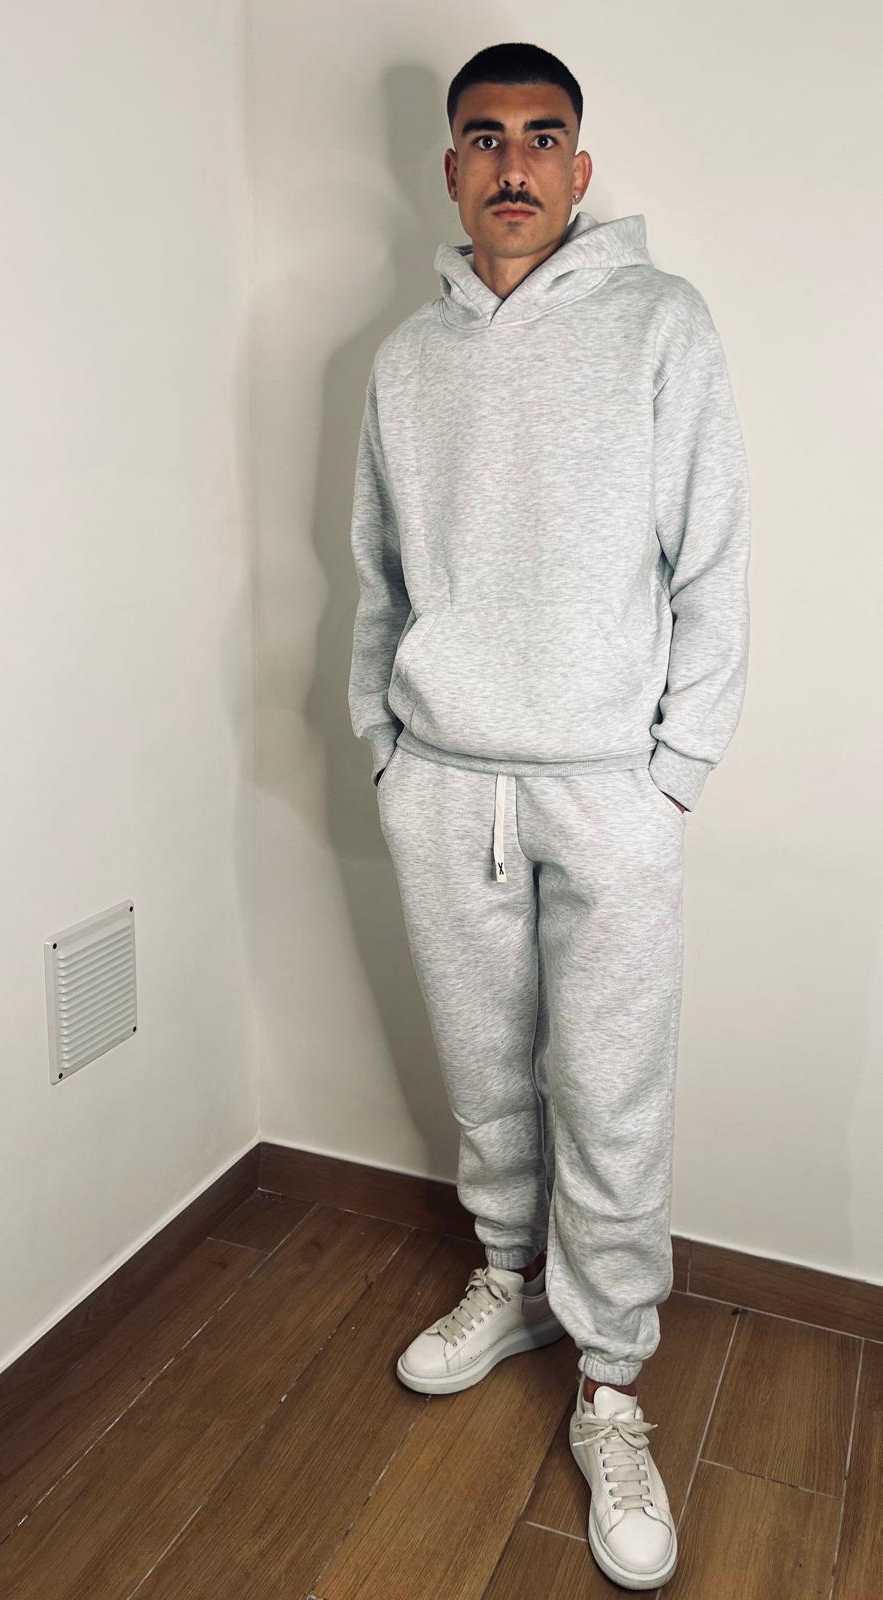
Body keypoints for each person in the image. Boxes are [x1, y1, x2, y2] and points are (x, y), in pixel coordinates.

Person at [346, 40, 750, 1593]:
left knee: (611, 1085)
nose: (512, 162)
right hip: (445, 778)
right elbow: (375, 576)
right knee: (484, 1065)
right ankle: (509, 1279)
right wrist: (386, 746)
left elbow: (713, 560)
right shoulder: (403, 363)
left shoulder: (663, 323)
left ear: (580, 168)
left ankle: (610, 1383)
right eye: (484, 137)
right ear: (449, 168)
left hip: (606, 788)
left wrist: (673, 770)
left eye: (541, 136)